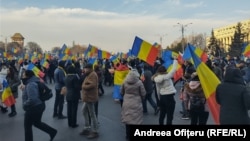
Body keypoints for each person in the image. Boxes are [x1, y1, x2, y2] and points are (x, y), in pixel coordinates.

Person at [21, 70, 57, 141]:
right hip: (39, 105)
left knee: (27, 126)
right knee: (37, 123)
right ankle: (52, 132)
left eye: (23, 75)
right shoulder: (34, 81)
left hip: (33, 108)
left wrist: (24, 105)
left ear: (28, 76)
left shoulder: (30, 84)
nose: (22, 76)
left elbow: (33, 99)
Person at [120, 69, 146, 140]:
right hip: (136, 102)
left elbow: (121, 92)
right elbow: (143, 93)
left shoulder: (125, 81)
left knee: (128, 119)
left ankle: (128, 135)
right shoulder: (139, 82)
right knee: (136, 119)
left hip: (127, 102)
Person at [152, 58, 178, 125]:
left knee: (162, 115)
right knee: (169, 116)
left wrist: (159, 98)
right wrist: (175, 60)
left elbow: (157, 90)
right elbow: (174, 69)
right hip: (169, 97)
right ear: (165, 70)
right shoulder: (167, 76)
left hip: (162, 97)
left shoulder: (156, 79)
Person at [79, 63, 99, 139]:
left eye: (85, 68)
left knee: (92, 114)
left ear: (89, 68)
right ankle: (87, 127)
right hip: (87, 97)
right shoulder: (89, 74)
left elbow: (93, 85)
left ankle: (95, 131)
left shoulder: (93, 74)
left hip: (90, 97)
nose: (84, 69)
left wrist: (84, 86)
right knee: (84, 111)